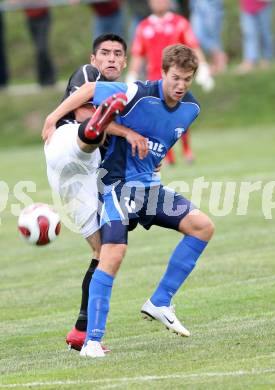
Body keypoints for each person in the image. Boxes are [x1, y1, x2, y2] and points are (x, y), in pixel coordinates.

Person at [44, 44, 215, 358]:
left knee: (202, 227)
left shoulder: (191, 109)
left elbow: (159, 140)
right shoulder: (138, 92)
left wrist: (153, 158)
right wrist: (53, 118)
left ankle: (160, 301)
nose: (180, 85)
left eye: (187, 79)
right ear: (163, 72)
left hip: (150, 189)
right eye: (175, 77)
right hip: (117, 186)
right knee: (113, 253)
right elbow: (90, 91)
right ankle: (91, 342)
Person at [42, 34, 148, 352]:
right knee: (85, 132)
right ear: (93, 59)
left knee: (103, 253)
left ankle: (81, 331)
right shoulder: (88, 76)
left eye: (118, 54)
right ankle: (99, 123)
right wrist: (126, 131)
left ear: (125, 62)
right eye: (105, 53)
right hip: (64, 144)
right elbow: (80, 114)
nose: (111, 58)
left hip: (83, 179)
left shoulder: (127, 94)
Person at [126, 0, 215, 165]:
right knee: (159, 119)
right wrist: (131, 75)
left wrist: (203, 67)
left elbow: (193, 46)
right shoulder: (144, 26)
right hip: (154, 79)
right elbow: (138, 53)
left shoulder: (179, 23)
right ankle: (168, 155)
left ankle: (187, 150)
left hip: (177, 78)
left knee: (180, 115)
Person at [189, 0, 228, 75]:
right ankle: (219, 58)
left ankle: (218, 62)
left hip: (211, 2)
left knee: (212, 33)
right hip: (195, 3)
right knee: (196, 36)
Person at [237, 0, 275, 73]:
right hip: (247, 5)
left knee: (265, 33)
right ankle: (250, 61)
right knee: (249, 34)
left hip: (264, 4)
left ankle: (266, 58)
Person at [24, 6, 56, 86]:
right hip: (30, 18)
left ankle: (49, 78)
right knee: (39, 49)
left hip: (43, 16)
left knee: (42, 49)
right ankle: (42, 79)